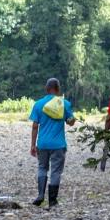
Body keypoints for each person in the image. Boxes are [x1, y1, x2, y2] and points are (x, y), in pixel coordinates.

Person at [28, 77, 75, 208]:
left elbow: (35, 126)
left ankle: (40, 195)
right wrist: (72, 118)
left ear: (46, 88)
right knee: (55, 171)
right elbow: (70, 122)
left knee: (42, 168)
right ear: (58, 89)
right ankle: (52, 201)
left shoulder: (38, 104)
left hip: (42, 144)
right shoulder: (64, 104)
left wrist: (33, 144)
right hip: (58, 144)